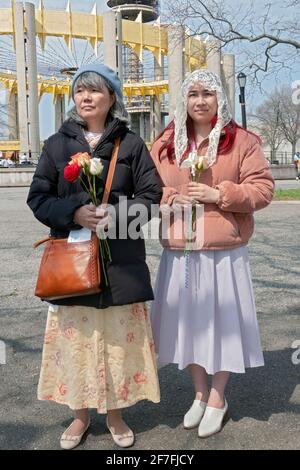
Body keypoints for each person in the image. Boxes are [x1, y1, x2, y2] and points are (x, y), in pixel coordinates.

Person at [27, 64, 162, 449]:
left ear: (112, 97)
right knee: (78, 342)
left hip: (120, 260)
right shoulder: (57, 144)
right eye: (80, 91)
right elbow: (38, 198)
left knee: (118, 343)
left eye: (95, 91)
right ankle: (79, 416)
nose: (86, 98)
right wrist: (74, 212)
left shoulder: (132, 144)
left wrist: (115, 215)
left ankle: (116, 415)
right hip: (71, 263)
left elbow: (152, 197)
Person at [150, 70, 274, 438]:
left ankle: (219, 397)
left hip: (224, 250)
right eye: (192, 94)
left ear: (220, 98)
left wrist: (221, 194)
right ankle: (199, 393)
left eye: (207, 93)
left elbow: (263, 189)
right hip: (180, 249)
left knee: (223, 326)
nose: (200, 100)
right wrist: (172, 197)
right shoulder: (165, 142)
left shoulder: (243, 142)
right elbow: (146, 187)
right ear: (183, 99)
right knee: (186, 324)